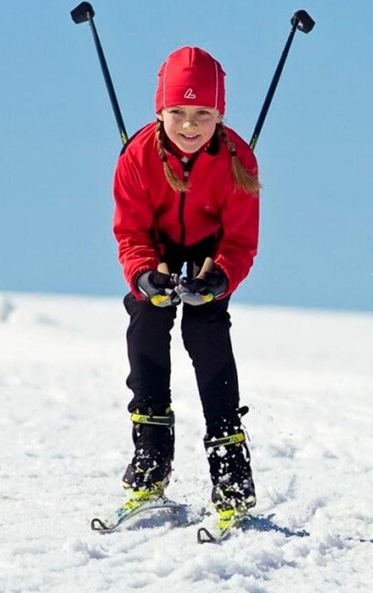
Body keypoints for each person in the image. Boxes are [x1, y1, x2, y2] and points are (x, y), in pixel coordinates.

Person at [111, 46, 260, 530]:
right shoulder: (137, 155)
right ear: (160, 110)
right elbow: (130, 231)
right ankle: (151, 460)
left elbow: (240, 239)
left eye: (203, 113)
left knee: (206, 334)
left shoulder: (239, 159)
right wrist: (142, 274)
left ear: (220, 114)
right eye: (178, 112)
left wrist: (219, 278)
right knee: (146, 324)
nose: (190, 125)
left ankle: (231, 471)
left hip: (209, 258)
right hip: (156, 252)